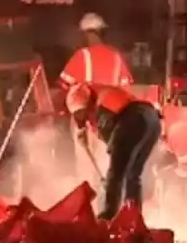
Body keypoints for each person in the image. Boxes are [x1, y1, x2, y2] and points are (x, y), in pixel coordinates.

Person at [66, 82, 162, 221]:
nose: (83, 118)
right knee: (132, 175)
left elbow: (114, 143)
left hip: (134, 119)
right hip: (152, 120)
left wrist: (110, 181)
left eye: (82, 114)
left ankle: (107, 217)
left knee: (116, 173)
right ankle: (133, 218)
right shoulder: (98, 94)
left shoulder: (101, 108)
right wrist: (82, 132)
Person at [59, 13, 133, 181]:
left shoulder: (81, 56)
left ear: (86, 34)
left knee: (85, 168)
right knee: (107, 165)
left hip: (86, 119)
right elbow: (126, 91)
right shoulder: (117, 57)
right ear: (102, 32)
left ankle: (88, 202)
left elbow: (65, 86)